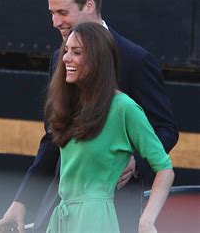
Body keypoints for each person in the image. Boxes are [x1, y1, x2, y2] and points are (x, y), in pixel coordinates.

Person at [0, 0, 178, 233]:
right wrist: (22, 200)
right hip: (61, 207)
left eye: (62, 12)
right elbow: (53, 138)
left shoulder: (136, 59)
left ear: (89, 5)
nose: (55, 22)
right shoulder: (60, 58)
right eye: (51, 13)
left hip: (112, 207)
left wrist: (136, 160)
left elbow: (166, 128)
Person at [46, 22, 174, 232]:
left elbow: (165, 168)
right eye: (66, 50)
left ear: (97, 60)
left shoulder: (123, 107)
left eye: (76, 52)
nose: (66, 58)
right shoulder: (71, 104)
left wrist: (146, 221)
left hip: (95, 221)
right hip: (62, 219)